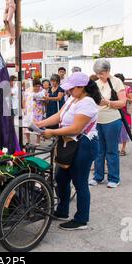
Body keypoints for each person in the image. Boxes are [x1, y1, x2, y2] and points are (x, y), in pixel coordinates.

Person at [36, 72, 100, 230]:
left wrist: (52, 132)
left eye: (71, 88)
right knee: (61, 177)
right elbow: (59, 116)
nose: (69, 91)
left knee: (79, 182)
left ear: (81, 87)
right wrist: (40, 123)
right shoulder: (73, 98)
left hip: (84, 144)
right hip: (69, 143)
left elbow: (76, 128)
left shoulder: (87, 102)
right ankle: (62, 210)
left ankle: (81, 219)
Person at [89, 59, 127, 188]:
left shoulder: (117, 82)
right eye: (97, 73)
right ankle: (98, 177)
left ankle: (114, 178)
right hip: (97, 121)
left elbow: (123, 103)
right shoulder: (95, 83)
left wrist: (108, 103)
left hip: (112, 120)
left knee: (111, 151)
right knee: (98, 151)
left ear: (108, 71)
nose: (99, 76)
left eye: (101, 73)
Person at [114, 73, 132, 156]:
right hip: (115, 111)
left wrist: (124, 98)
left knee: (125, 130)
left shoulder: (127, 88)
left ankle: (123, 148)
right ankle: (116, 148)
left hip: (125, 112)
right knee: (115, 130)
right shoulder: (113, 88)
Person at [23, 78, 45, 146]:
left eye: (39, 86)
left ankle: (38, 140)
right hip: (29, 110)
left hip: (38, 111)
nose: (37, 88)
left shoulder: (42, 92)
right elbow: (24, 99)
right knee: (27, 125)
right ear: (33, 85)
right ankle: (28, 140)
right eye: (36, 86)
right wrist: (24, 108)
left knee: (38, 125)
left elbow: (45, 101)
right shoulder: (28, 91)